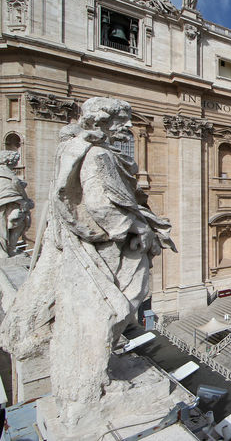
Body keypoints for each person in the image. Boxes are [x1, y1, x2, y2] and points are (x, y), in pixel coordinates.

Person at [0, 97, 176, 414]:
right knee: (115, 306)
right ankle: (92, 377)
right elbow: (98, 204)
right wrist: (136, 227)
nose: (127, 126)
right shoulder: (97, 156)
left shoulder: (77, 149)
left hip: (96, 244)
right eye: (122, 120)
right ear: (102, 122)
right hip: (110, 245)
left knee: (112, 307)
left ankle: (94, 372)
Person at [0, 150, 33, 258]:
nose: (16, 163)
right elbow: (16, 184)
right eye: (15, 160)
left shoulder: (8, 172)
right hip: (7, 200)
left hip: (13, 200)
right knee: (4, 225)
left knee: (19, 222)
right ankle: (6, 249)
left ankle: (10, 248)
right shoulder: (6, 172)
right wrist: (26, 200)